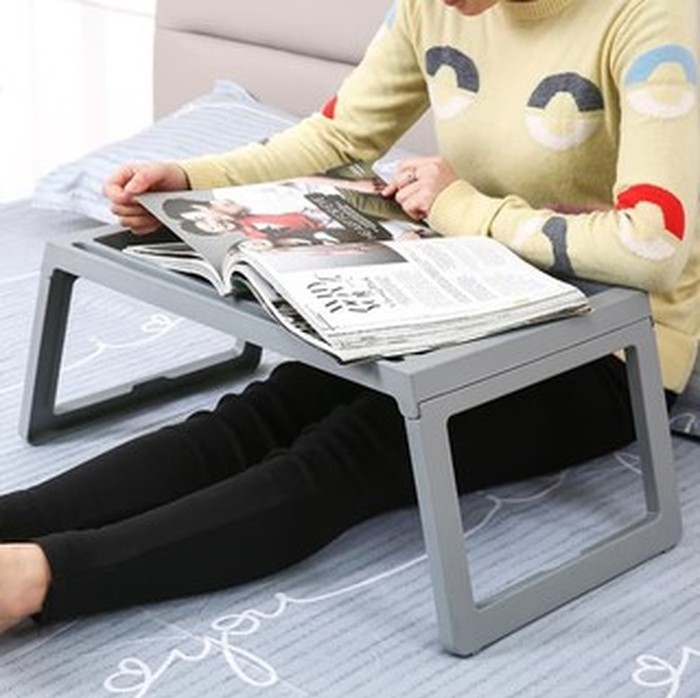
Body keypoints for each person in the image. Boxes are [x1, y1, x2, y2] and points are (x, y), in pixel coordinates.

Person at [1, 0, 698, 632]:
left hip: (608, 347)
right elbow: (339, 137)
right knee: (257, 416)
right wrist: (193, 180)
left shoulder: (651, 17)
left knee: (354, 452)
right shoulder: (431, 7)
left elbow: (654, 245)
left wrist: (462, 206)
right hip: (467, 292)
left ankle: (36, 579)